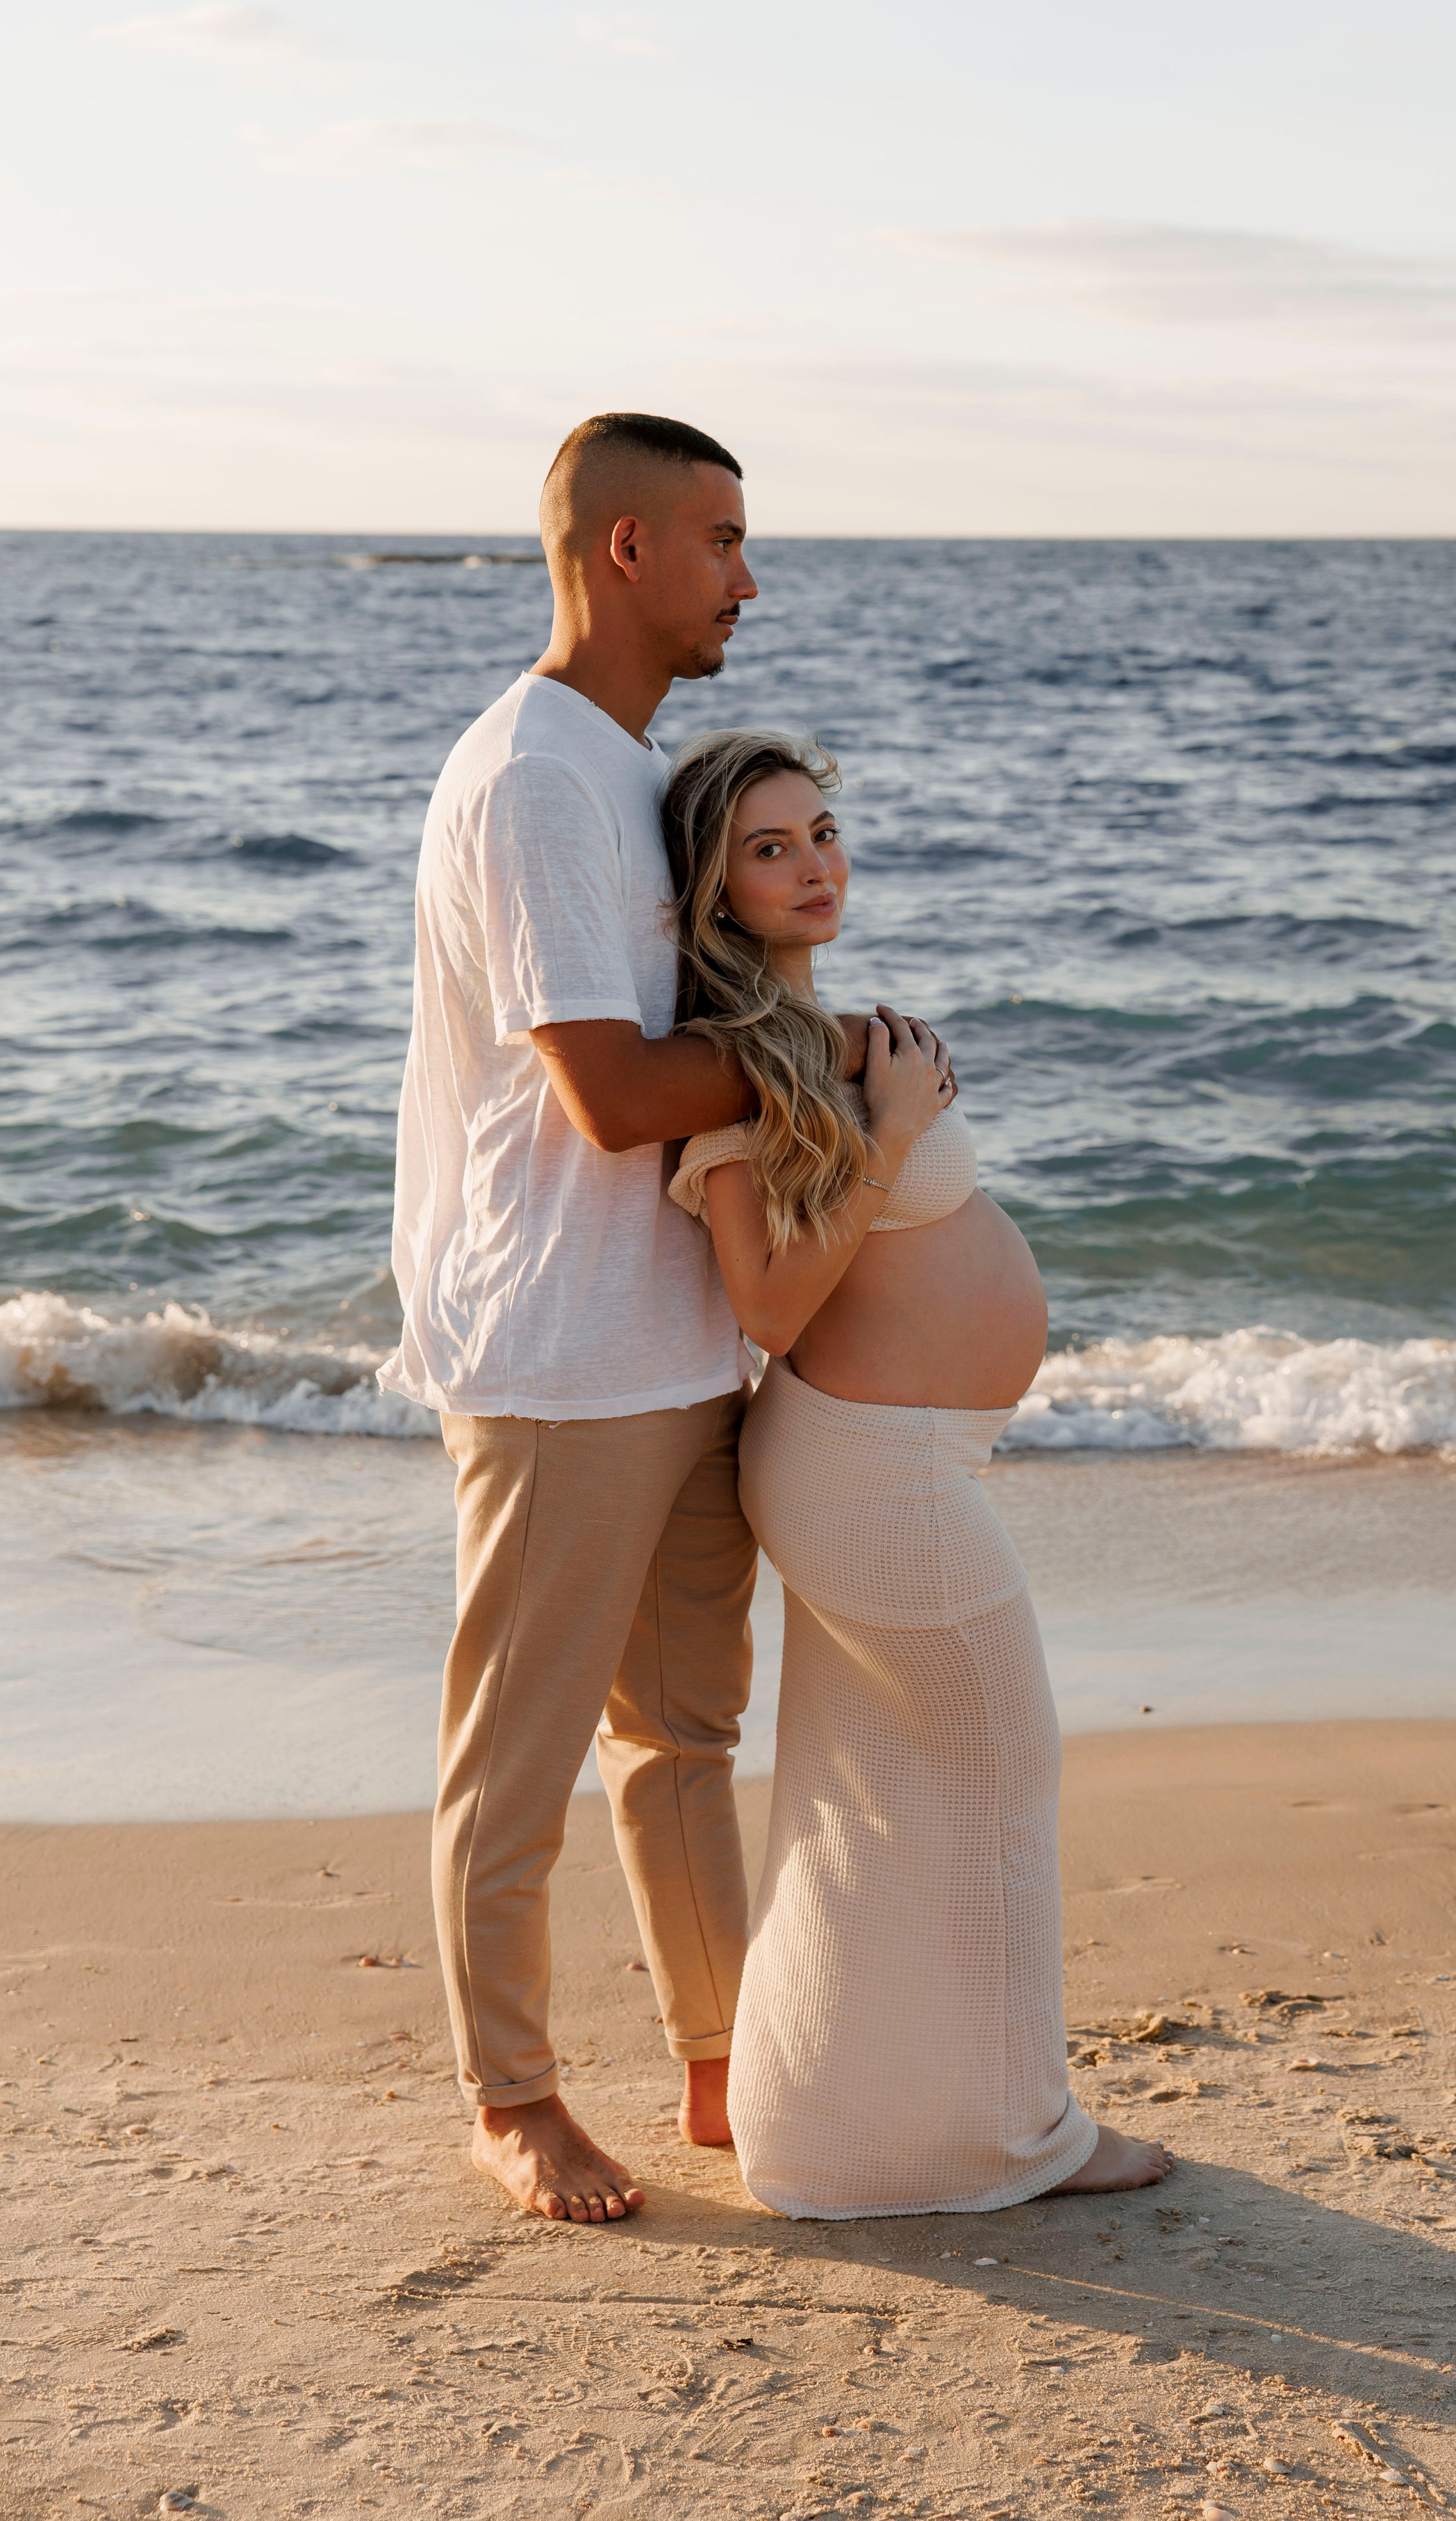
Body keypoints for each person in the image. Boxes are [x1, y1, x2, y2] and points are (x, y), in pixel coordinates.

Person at [377, 413, 943, 2225]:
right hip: (554, 1357)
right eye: (721, 542)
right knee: (521, 1749)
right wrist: (831, 1063)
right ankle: (514, 2100)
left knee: (685, 1735)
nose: (747, 581)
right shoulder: (538, 777)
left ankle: (721, 2068)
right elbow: (611, 1096)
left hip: (676, 1339)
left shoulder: (626, 774)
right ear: (625, 551)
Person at [663, 728, 1173, 2216]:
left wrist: (878, 1113)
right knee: (1002, 1768)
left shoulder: (825, 1031)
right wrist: (886, 1140)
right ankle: (1022, 2140)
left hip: (900, 1463)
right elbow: (766, 1304)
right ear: (710, 886)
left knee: (874, 1801)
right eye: (768, 846)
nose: (813, 862)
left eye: (819, 831)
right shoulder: (725, 1067)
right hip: (867, 1478)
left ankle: (832, 2138)